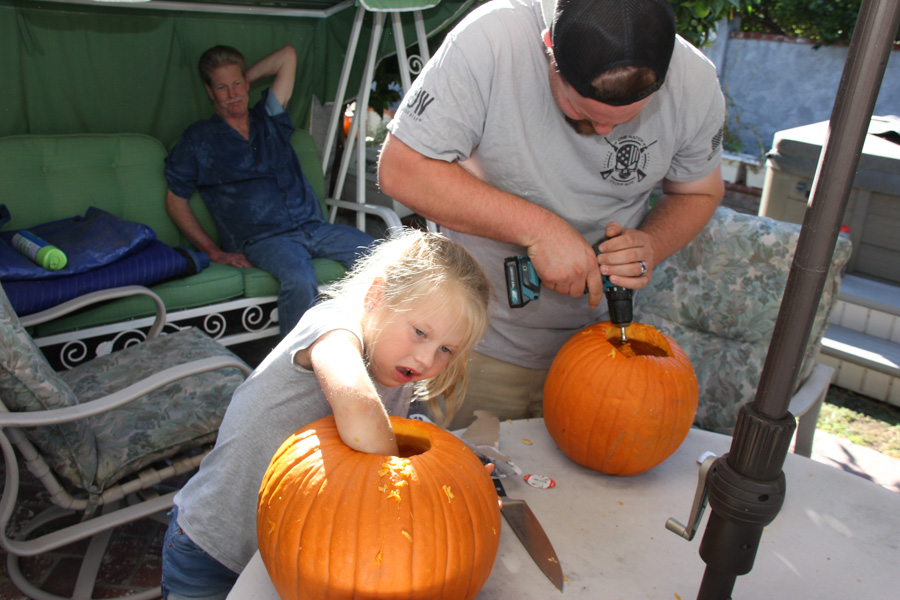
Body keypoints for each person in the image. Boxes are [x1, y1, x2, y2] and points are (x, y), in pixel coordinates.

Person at [377, 0, 726, 429]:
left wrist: (652, 243)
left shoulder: (695, 79)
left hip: (593, 354)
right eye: (582, 111)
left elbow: (699, 192)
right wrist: (538, 229)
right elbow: (401, 169)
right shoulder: (491, 40)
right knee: (449, 484)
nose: (603, 133)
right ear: (549, 49)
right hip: (468, 345)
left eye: (624, 120)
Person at [160, 228, 491, 599]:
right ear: (375, 296)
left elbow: (394, 440)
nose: (427, 358)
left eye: (446, 349)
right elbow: (362, 413)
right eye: (419, 332)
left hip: (288, 559)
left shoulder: (398, 366)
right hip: (213, 550)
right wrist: (416, 489)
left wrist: (457, 482)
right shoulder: (332, 329)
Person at [165, 44, 374, 337]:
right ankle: (293, 367)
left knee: (377, 256)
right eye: (222, 88)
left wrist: (243, 81)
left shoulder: (270, 117)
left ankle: (365, 341)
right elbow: (175, 199)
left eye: (237, 84)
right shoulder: (198, 139)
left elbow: (288, 55)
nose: (232, 94)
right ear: (209, 92)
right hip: (264, 238)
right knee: (300, 279)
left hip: (314, 227)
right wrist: (213, 251)